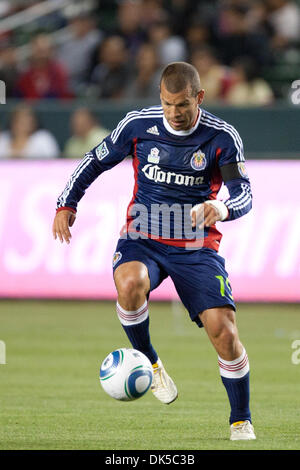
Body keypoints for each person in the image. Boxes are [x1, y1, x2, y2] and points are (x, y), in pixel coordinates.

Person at [52, 62, 256, 441]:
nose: (174, 113)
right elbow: (94, 160)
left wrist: (221, 208)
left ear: (200, 97)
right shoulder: (137, 125)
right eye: (166, 104)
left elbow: (244, 194)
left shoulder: (222, 137)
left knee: (224, 332)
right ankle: (150, 361)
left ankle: (240, 420)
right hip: (142, 235)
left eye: (181, 105)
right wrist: (67, 203)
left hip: (196, 247)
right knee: (130, 283)